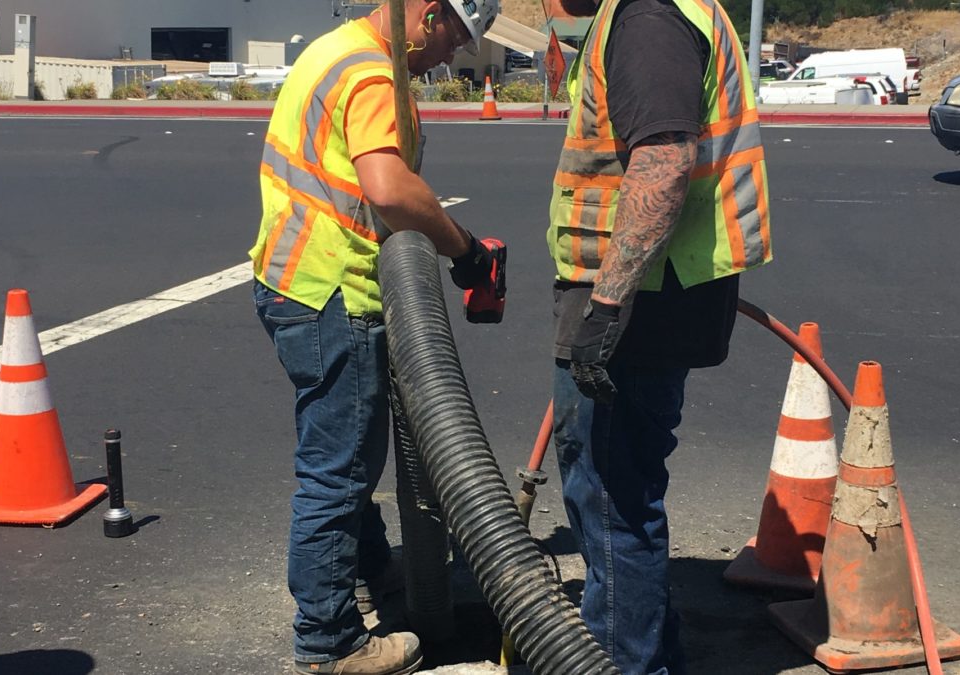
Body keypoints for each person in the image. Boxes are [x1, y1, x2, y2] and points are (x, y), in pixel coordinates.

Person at [249, 0, 499, 671]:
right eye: (456, 35)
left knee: (343, 453)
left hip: (290, 278)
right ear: (430, 12)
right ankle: (330, 639)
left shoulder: (336, 48)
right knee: (339, 468)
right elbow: (387, 188)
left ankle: (361, 570)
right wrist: (466, 250)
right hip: (336, 290)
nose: (456, 53)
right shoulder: (370, 73)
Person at [546, 0, 772, 671]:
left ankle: (623, 660)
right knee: (613, 486)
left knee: (612, 498)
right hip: (655, 288)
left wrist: (608, 303)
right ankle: (652, 648)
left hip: (639, 298)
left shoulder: (647, 18)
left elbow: (665, 160)